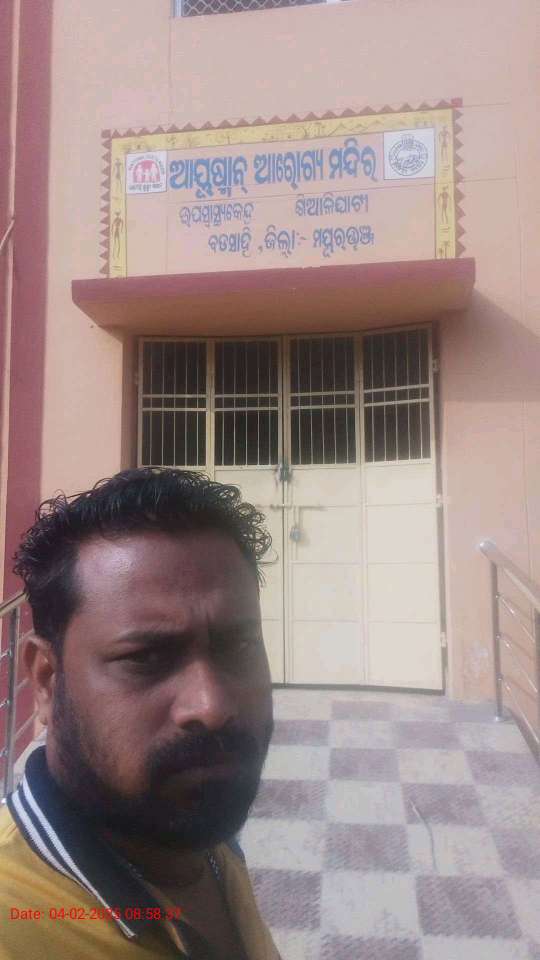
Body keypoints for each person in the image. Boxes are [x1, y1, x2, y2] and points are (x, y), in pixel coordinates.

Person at [0, 468, 280, 960]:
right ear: (45, 679)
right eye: (146, 658)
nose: (211, 706)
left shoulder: (200, 839)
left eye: (238, 646)